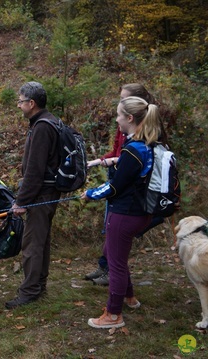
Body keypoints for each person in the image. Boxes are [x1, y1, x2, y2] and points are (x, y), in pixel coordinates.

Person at [82, 96, 161, 329]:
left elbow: (115, 186)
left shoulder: (133, 150)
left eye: (118, 115)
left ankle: (113, 315)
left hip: (125, 213)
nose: (116, 119)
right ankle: (129, 298)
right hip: (141, 211)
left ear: (129, 118)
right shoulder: (149, 145)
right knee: (119, 257)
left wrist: (91, 194)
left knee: (115, 263)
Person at [6, 81, 61, 309]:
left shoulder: (42, 127)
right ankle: (39, 285)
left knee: (31, 245)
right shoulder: (48, 122)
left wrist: (21, 201)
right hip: (47, 193)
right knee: (41, 241)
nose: (18, 105)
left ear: (32, 103)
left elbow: (34, 171)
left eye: (20, 101)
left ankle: (29, 291)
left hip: (41, 195)